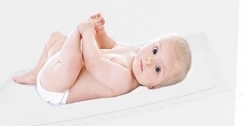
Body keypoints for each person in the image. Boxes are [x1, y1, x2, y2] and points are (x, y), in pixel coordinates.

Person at [13, 14, 191, 105]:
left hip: (59, 87)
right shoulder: (134, 52)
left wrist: (87, 33)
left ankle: (78, 30)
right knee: (56, 37)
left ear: (154, 86)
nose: (149, 61)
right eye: (155, 50)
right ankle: (35, 73)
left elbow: (94, 62)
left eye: (158, 69)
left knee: (73, 63)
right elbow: (111, 46)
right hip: (57, 66)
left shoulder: (124, 79)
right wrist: (100, 33)